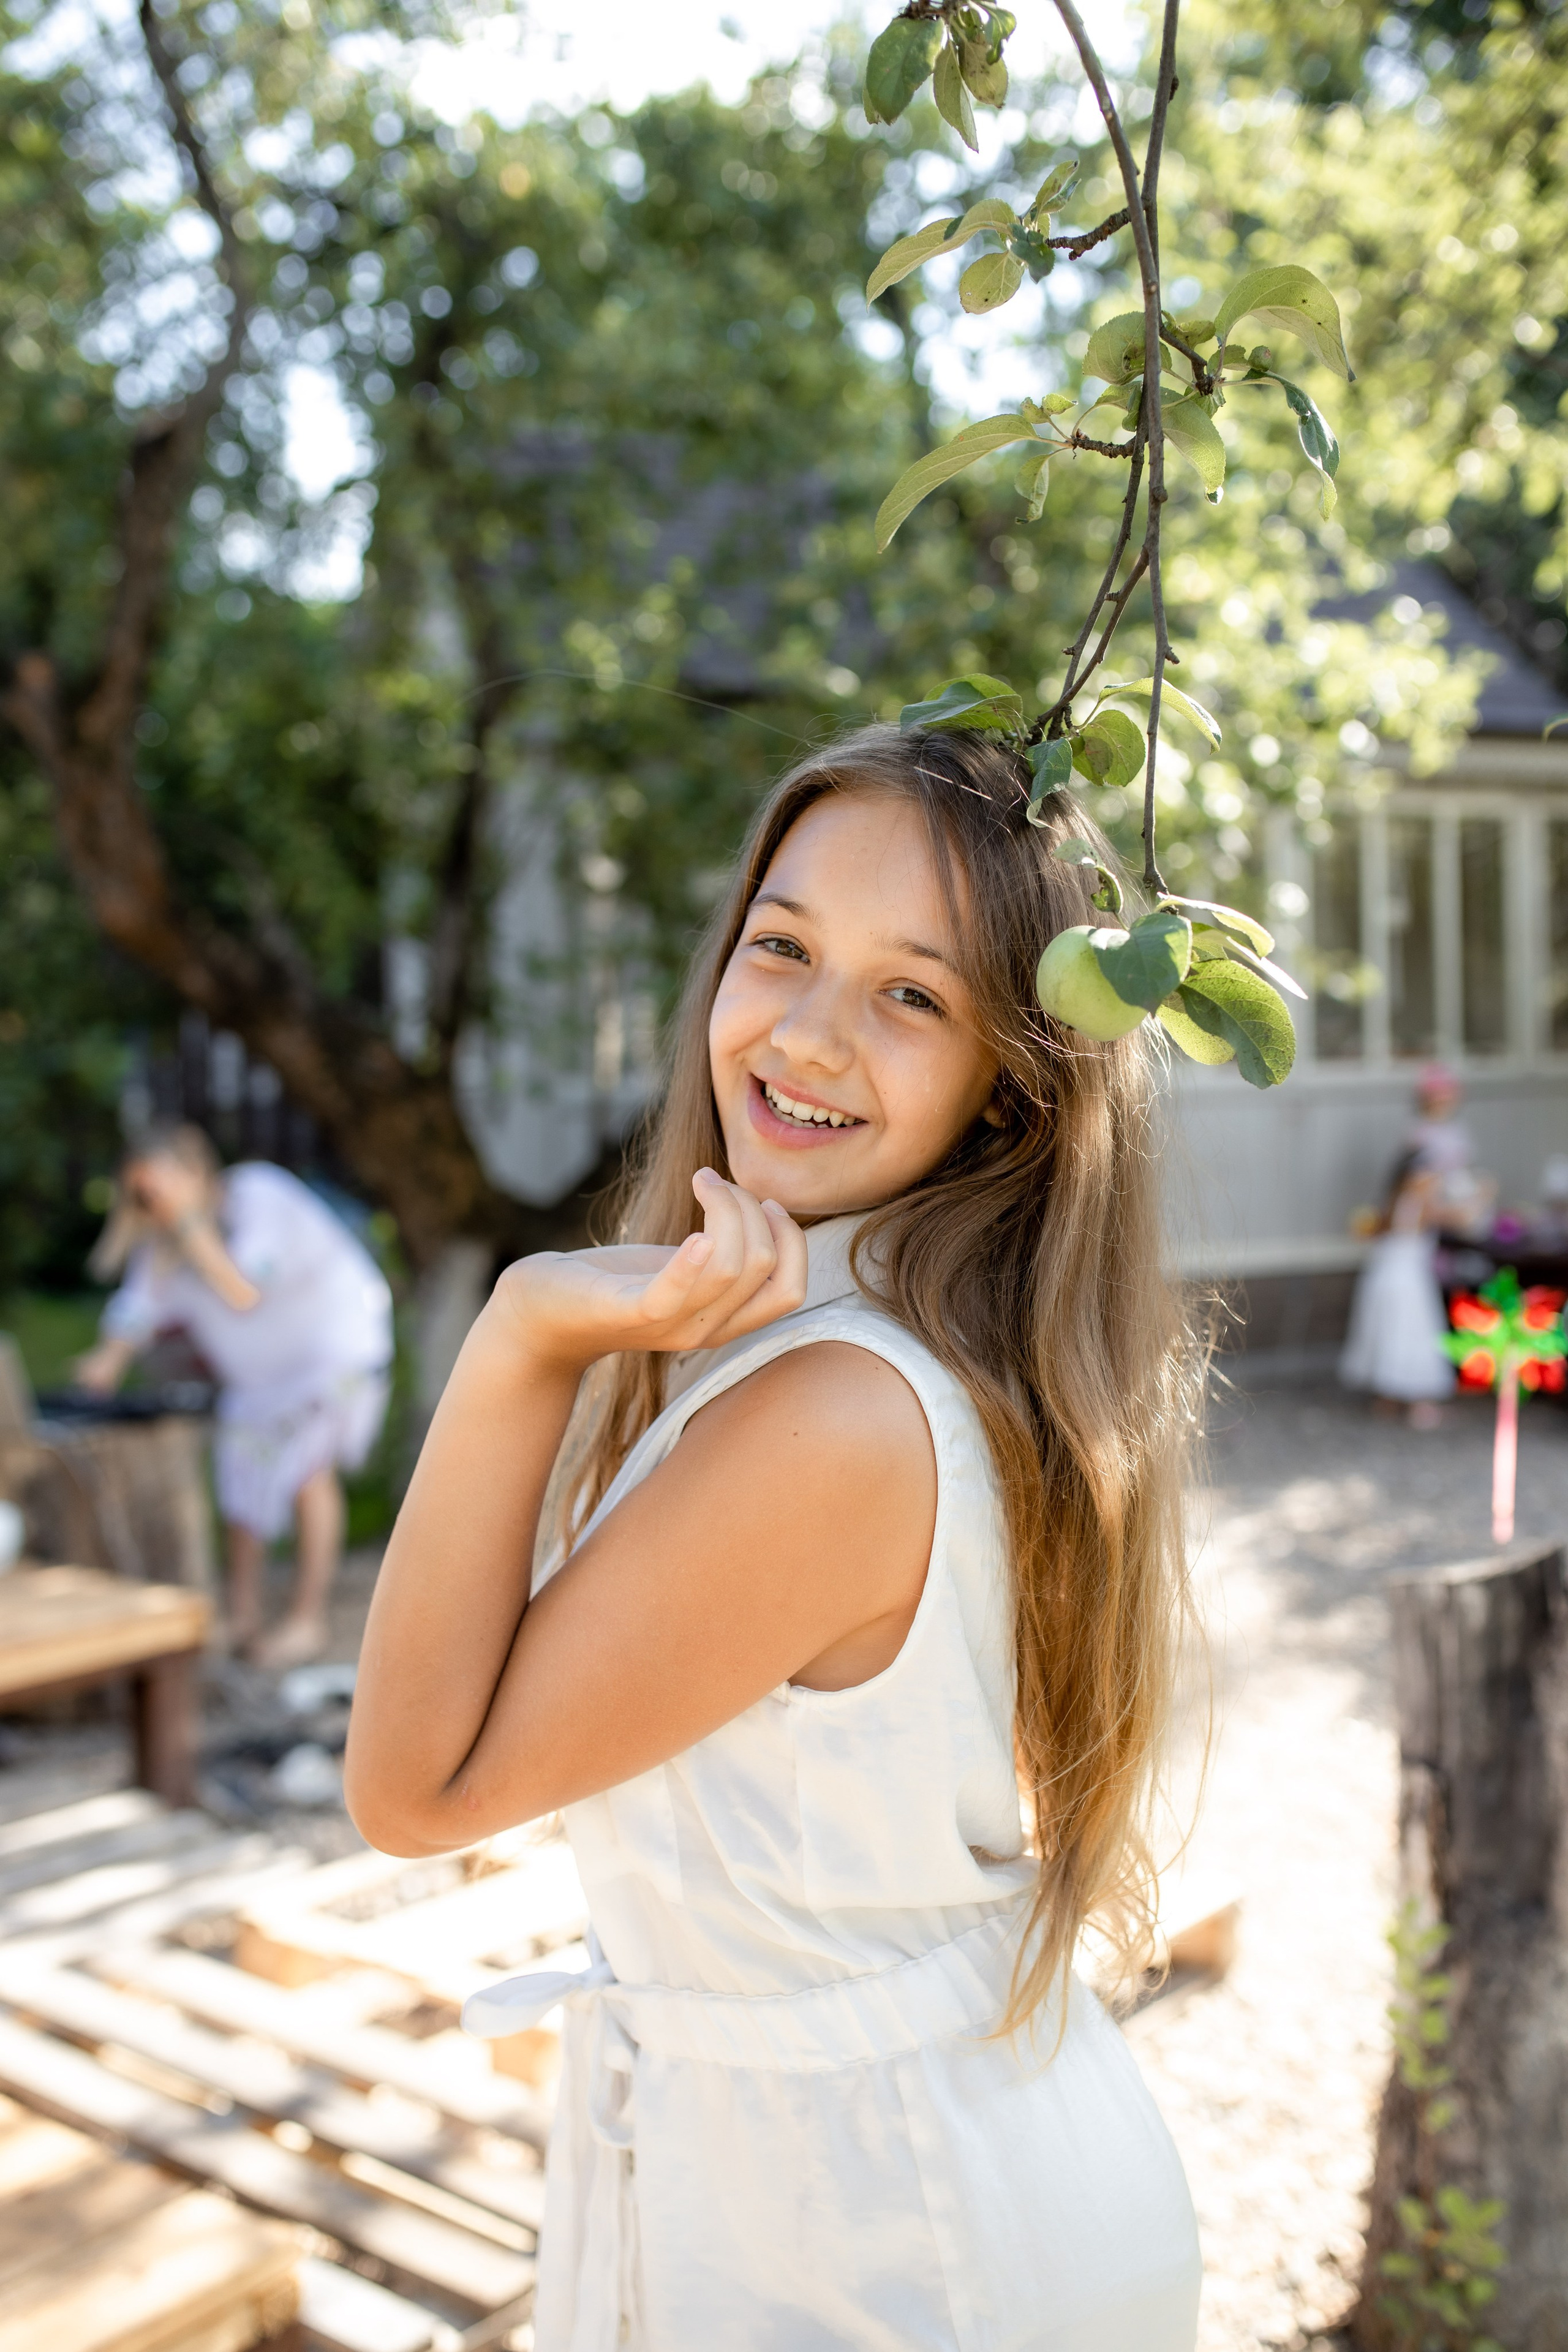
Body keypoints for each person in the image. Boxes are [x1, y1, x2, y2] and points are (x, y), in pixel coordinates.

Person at [346, 728, 1204, 2350]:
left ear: (1015, 1084)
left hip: (881, 2244)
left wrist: (524, 1335)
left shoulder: (835, 1417)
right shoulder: (901, 1337)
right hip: (878, 2164)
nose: (806, 1035)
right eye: (784, 946)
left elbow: (416, 1786)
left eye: (912, 994)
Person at [77, 1124, 393, 1667]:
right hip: (262, 1382)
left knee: (306, 1470)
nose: (149, 1206)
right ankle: (241, 1617)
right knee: (241, 1477)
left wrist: (190, 1226)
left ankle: (305, 1621)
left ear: (195, 1173)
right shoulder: (163, 1245)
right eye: (140, 1197)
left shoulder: (258, 1197)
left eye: (153, 1191)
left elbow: (244, 1289)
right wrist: (107, 1360)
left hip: (335, 1356)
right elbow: (137, 1306)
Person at [1340, 1065, 1478, 1428]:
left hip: (1383, 1274)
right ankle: (1418, 1402)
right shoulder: (1422, 1204)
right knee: (1413, 1334)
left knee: (1387, 1331)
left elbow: (1371, 1231)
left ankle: (1387, 1398)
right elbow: (1459, 1218)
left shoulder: (1394, 1203)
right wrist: (1484, 1196)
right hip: (1406, 1280)